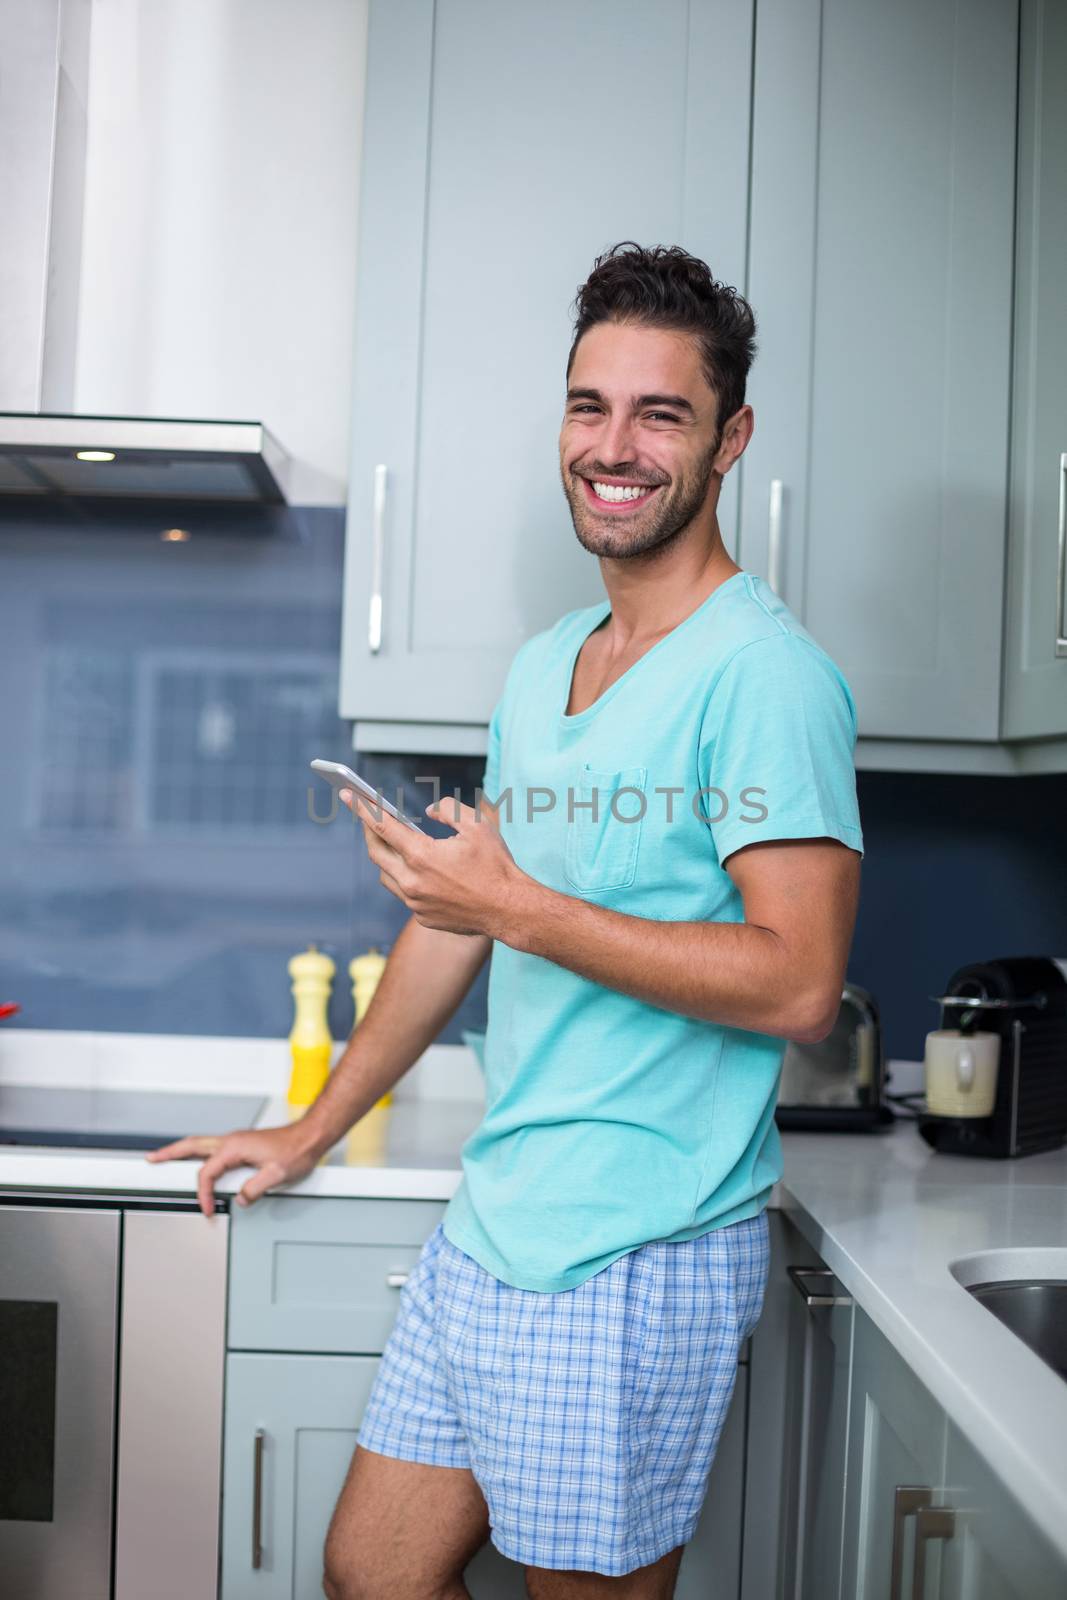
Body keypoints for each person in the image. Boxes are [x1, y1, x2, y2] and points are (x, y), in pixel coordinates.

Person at [150, 242, 863, 1599]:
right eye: (590, 406)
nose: (616, 447)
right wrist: (307, 1126)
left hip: (636, 1250)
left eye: (662, 414)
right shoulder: (548, 667)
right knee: (371, 1571)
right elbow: (460, 932)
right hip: (498, 1224)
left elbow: (798, 986)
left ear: (731, 441)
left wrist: (519, 904)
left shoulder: (768, 677)